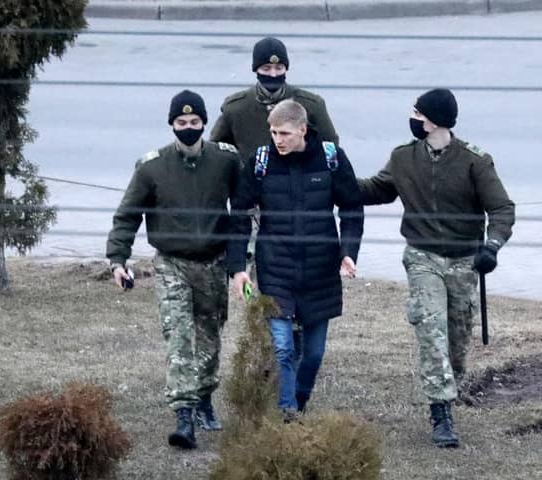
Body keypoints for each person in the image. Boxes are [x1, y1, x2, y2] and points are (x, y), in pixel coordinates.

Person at [358, 88, 515, 448]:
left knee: (457, 341)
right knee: (431, 331)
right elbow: (377, 189)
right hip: (422, 256)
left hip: (464, 260)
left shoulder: (475, 161)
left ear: (433, 120)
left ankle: (450, 388)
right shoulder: (403, 157)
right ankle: (440, 412)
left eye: (417, 113)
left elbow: (502, 209)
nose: (412, 118)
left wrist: (492, 247)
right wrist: (334, 180)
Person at [106, 90, 240, 450]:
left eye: (194, 123)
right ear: (171, 125)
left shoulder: (225, 161)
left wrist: (245, 258)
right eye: (181, 123)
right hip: (171, 265)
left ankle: (205, 398)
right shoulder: (151, 166)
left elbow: (245, 208)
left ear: (204, 123)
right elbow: (127, 215)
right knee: (179, 337)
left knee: (209, 338)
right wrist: (118, 259)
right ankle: (184, 415)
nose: (188, 128)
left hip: (213, 263)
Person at [227, 99, 363, 419]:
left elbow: (352, 210)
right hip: (276, 268)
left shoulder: (331, 159)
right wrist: (237, 269)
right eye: (273, 132)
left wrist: (348, 253)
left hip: (320, 270)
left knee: (313, 355)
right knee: (283, 348)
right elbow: (239, 216)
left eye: (285, 133)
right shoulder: (260, 162)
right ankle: (287, 413)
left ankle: (299, 402)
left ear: (303, 130)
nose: (278, 140)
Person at [210, 36, 339, 158]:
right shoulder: (235, 108)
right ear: (256, 70)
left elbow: (330, 148)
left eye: (279, 68)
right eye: (266, 68)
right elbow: (216, 151)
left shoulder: (311, 105)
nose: (273, 74)